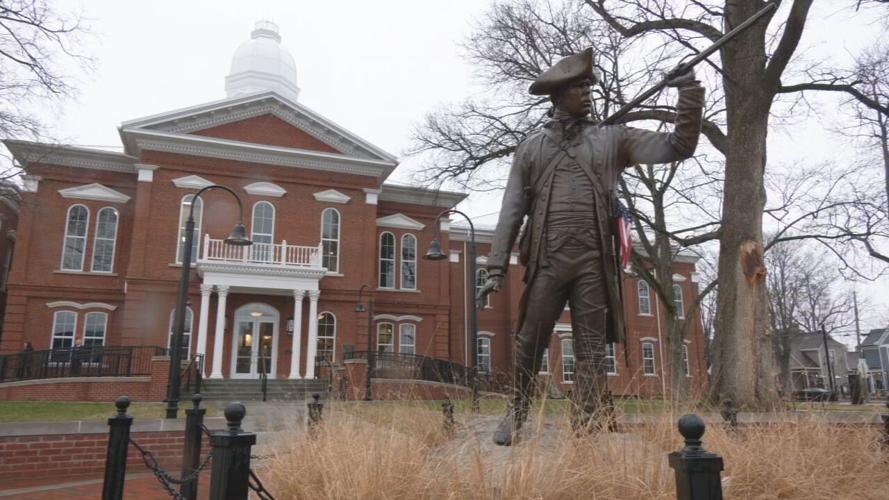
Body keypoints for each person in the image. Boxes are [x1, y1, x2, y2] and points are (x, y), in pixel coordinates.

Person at [478, 48, 705, 445]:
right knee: (529, 341)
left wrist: (688, 93)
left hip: (592, 259)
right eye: (580, 86)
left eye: (590, 86)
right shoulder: (531, 148)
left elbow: (679, 146)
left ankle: (587, 420)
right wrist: (496, 266)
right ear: (558, 94)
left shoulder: (613, 139)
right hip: (548, 257)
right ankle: (515, 414)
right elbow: (512, 207)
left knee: (590, 348)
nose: (589, 92)